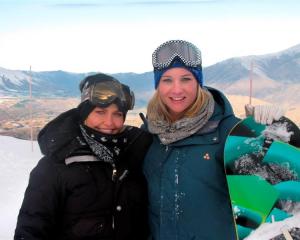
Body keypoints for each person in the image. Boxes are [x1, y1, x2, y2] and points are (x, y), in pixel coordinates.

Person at [141, 39, 285, 240]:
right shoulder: (149, 134)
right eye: (167, 80)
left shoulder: (230, 132)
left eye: (186, 79)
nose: (176, 89)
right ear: (157, 85)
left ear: (198, 82)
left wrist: (270, 132)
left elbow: (273, 196)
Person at [14, 73, 153, 240]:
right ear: (84, 113)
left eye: (117, 114)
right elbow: (31, 232)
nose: (109, 122)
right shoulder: (55, 167)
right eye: (100, 112)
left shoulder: (133, 154)